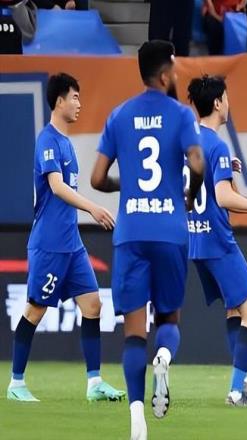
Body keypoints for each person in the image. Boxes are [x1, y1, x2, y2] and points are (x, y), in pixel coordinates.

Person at [91, 41, 204, 439]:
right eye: (174, 67)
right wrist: (189, 195)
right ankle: (165, 356)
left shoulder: (119, 115)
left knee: (134, 333)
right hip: (170, 231)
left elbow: (96, 179)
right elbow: (197, 162)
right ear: (164, 74)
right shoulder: (181, 114)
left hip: (131, 233)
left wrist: (127, 185)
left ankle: (137, 418)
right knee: (169, 319)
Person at [7, 73, 124, 403]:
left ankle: (94, 383)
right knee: (35, 311)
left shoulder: (66, 143)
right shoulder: (47, 140)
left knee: (93, 305)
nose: (79, 104)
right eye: (74, 97)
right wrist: (93, 208)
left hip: (71, 244)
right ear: (59, 101)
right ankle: (16, 383)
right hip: (49, 244)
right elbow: (57, 188)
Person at [187, 74, 247, 406]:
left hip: (195, 240)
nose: (229, 103)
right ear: (217, 103)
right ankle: (236, 390)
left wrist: (226, 169)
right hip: (217, 240)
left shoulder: (188, 142)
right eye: (226, 97)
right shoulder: (217, 145)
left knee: (234, 311)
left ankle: (245, 382)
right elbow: (224, 197)